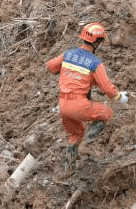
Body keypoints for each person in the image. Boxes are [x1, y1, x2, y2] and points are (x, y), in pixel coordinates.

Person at [45, 22, 129, 171]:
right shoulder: (95, 63)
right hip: (79, 105)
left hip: (63, 106)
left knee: (75, 134)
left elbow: (51, 66)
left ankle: (68, 169)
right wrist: (120, 97)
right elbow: (107, 88)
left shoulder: (68, 54)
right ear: (97, 42)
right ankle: (87, 146)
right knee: (107, 113)